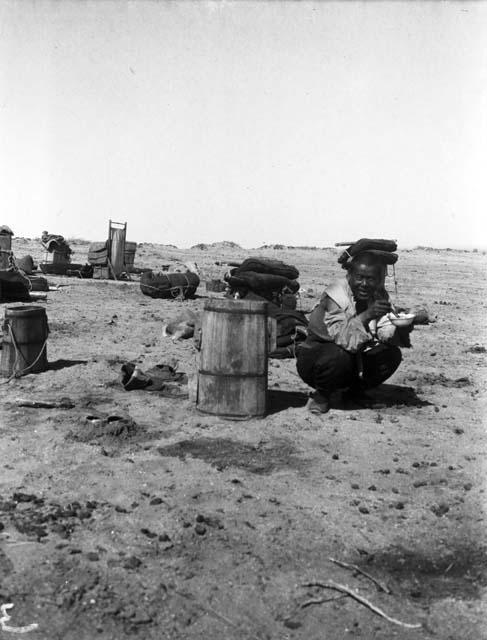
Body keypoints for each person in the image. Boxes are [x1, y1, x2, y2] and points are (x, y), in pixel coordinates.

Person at [296, 244, 411, 413]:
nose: (364, 284)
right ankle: (322, 395)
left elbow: (383, 330)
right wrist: (366, 316)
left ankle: (354, 393)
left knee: (390, 354)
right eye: (359, 277)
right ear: (349, 275)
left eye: (371, 279)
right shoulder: (335, 294)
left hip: (352, 356)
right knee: (340, 355)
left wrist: (402, 325)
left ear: (379, 280)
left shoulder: (378, 294)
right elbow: (344, 339)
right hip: (318, 358)